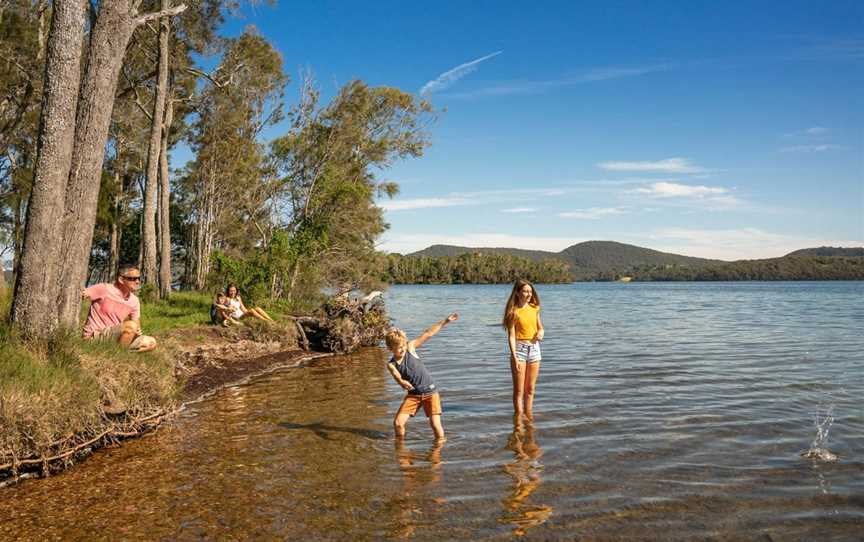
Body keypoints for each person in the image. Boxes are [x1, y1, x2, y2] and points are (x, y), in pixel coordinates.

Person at [385, 313, 458, 441]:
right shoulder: (391, 364)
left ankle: (439, 449)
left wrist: (445, 321)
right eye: (398, 348)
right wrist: (402, 383)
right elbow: (396, 376)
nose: (402, 350)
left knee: (435, 424)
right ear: (390, 349)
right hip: (413, 395)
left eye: (403, 346)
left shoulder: (410, 348)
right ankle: (400, 445)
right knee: (398, 423)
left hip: (430, 392)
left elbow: (428, 333)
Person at [81, 263, 157, 352]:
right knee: (130, 326)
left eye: (138, 278)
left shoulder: (134, 301)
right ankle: (118, 354)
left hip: (116, 336)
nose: (137, 281)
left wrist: (137, 331)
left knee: (152, 342)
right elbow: (83, 293)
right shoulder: (103, 289)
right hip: (95, 336)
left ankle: (118, 352)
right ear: (121, 279)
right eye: (132, 279)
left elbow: (136, 324)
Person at [503, 279, 544, 418]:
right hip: (519, 350)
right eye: (525, 291)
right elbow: (512, 337)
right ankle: (519, 421)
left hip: (534, 349)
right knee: (519, 391)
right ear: (517, 292)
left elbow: (540, 327)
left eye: (530, 291)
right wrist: (514, 356)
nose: (528, 294)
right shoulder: (513, 312)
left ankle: (529, 417)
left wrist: (541, 333)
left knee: (530, 389)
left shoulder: (535, 308)